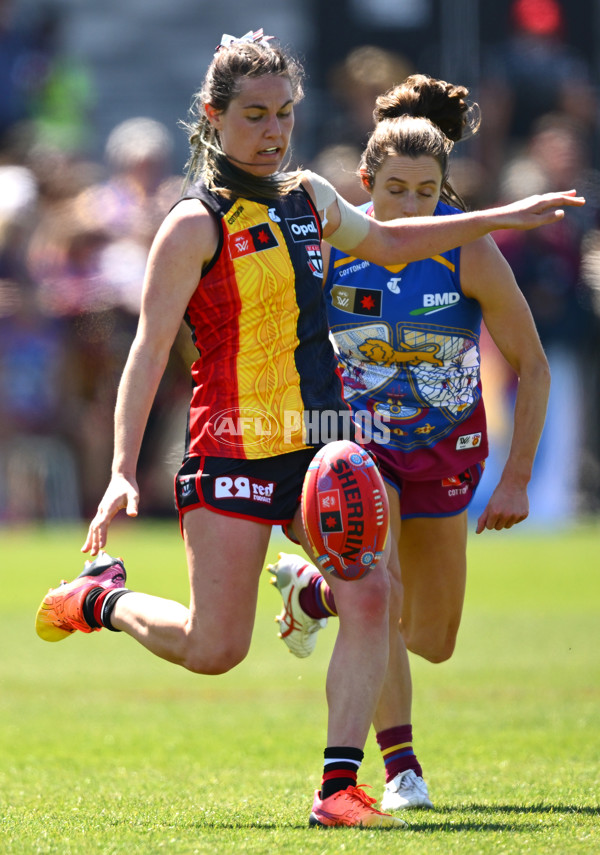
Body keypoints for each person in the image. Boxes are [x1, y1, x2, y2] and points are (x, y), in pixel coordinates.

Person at [33, 31, 583, 829]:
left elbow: (392, 240)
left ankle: (338, 785)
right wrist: (121, 465)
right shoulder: (193, 223)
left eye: (284, 113)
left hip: (321, 441)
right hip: (229, 443)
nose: (273, 130)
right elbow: (148, 352)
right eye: (254, 115)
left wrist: (504, 216)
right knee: (215, 648)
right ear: (215, 118)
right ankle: (102, 599)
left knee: (372, 589)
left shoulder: (311, 198)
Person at [268, 73, 554, 812]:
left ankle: (317, 593)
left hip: (447, 455)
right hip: (360, 446)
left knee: (432, 636)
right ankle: (400, 769)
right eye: (395, 188)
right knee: (382, 588)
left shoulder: (470, 251)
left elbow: (533, 365)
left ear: (444, 188)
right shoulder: (333, 245)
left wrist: (517, 479)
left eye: (425, 191)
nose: (409, 206)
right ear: (366, 182)